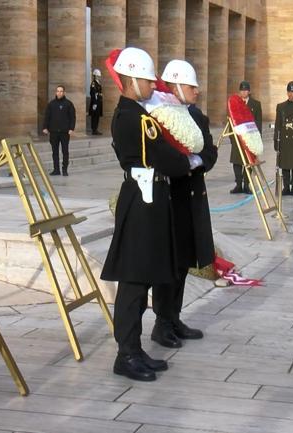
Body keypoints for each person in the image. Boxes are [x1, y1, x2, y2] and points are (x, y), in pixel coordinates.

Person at [100, 47, 194, 382]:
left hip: (149, 197)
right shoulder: (136, 118)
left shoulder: (137, 113)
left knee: (142, 279)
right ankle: (125, 354)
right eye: (146, 80)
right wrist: (187, 162)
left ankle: (134, 349)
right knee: (134, 281)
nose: (153, 86)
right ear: (128, 80)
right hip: (143, 199)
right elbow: (166, 158)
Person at [150, 59, 218, 348]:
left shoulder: (197, 117)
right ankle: (161, 323)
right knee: (169, 265)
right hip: (169, 199)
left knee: (183, 265)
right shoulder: (159, 115)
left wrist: (196, 161)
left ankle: (174, 317)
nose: (197, 91)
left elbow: (211, 153)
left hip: (191, 198)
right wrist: (185, 163)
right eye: (192, 86)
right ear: (177, 85)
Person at [230, 80, 262, 194]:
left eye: (246, 90)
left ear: (249, 91)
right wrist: (232, 138)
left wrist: (258, 139)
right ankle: (238, 184)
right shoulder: (234, 104)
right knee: (237, 162)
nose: (244, 92)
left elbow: (258, 123)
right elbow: (230, 122)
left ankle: (246, 185)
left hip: (250, 139)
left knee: (248, 162)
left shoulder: (255, 104)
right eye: (242, 90)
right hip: (238, 138)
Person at [42, 85, 76, 176]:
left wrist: (71, 128)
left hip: (65, 132)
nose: (59, 93)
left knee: (65, 151)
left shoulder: (69, 104)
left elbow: (72, 117)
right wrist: (45, 127)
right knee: (55, 152)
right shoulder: (51, 104)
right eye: (58, 91)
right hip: (53, 132)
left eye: (61, 91)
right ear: (56, 92)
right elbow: (47, 117)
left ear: (64, 92)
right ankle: (56, 170)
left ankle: (64, 170)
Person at [89, 68, 103, 135]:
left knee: (97, 116)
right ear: (95, 75)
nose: (99, 77)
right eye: (98, 76)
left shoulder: (98, 83)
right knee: (94, 116)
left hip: (98, 101)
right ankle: (94, 129)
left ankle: (96, 129)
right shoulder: (93, 83)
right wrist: (94, 103)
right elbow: (93, 93)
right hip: (95, 102)